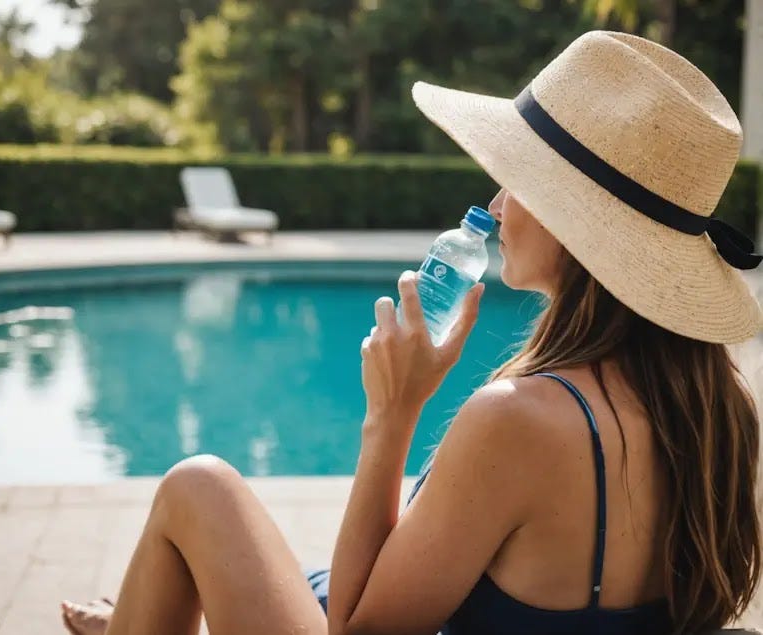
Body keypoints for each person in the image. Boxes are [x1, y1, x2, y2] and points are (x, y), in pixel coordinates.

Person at [60, 30, 762, 635]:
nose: (494, 202)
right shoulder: (720, 411)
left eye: (513, 181)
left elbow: (358, 628)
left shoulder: (520, 420)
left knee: (198, 486)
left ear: (571, 221)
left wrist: (391, 415)